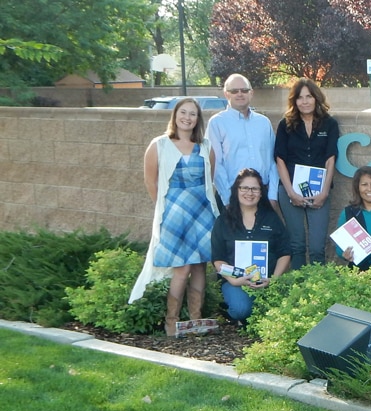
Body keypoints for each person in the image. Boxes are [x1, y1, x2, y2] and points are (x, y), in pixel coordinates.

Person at [129, 98, 221, 337]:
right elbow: (151, 182)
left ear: (197, 119)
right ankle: (171, 322)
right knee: (182, 268)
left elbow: (210, 181)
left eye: (192, 114)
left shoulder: (206, 145)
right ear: (175, 115)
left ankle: (195, 320)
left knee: (200, 266)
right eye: (183, 112)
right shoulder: (159, 145)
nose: (187, 117)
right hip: (174, 214)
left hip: (202, 213)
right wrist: (166, 209)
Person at [211, 168, 291, 326]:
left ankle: (252, 317)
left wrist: (274, 279)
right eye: (245, 188)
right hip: (235, 282)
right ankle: (236, 314)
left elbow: (285, 252)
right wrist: (234, 281)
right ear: (236, 190)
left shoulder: (271, 219)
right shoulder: (224, 220)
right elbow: (218, 259)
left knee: (273, 310)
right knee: (241, 309)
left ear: (261, 193)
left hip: (266, 282)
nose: (250, 193)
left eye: (255, 188)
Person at [275, 78, 339, 270]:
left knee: (318, 247)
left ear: (316, 98)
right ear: (294, 101)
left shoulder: (329, 124)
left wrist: (325, 193)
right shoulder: (285, 125)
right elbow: (280, 160)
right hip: (290, 190)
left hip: (320, 191)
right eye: (300, 98)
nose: (305, 101)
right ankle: (300, 293)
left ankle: (318, 292)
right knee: (297, 246)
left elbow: (331, 158)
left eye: (309, 97)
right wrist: (291, 193)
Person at [209, 74, 279, 212]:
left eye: (244, 90)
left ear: (251, 93)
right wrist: (228, 199)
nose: (240, 94)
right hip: (231, 195)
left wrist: (272, 196)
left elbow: (273, 161)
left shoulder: (264, 123)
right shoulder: (217, 123)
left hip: (262, 195)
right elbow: (215, 164)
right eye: (234, 91)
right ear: (226, 94)